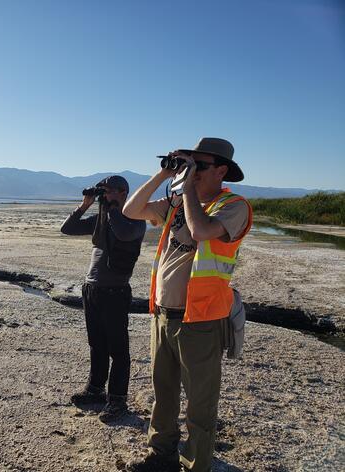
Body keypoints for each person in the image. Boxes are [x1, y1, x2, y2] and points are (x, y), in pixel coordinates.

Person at [122, 138, 252, 472]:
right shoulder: (177, 204)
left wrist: (187, 189)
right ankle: (161, 455)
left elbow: (201, 230)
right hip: (164, 315)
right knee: (163, 393)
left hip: (202, 320)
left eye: (201, 166)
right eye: (189, 165)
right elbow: (131, 210)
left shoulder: (233, 206)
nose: (192, 172)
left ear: (221, 170)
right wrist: (163, 174)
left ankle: (196, 465)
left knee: (200, 403)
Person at [60, 175, 146, 423]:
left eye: (108, 192)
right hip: (92, 289)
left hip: (115, 292)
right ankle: (95, 390)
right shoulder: (102, 218)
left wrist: (111, 208)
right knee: (96, 344)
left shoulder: (134, 219)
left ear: (122, 192)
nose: (104, 196)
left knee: (118, 350)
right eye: (103, 192)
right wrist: (85, 204)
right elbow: (67, 229)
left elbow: (123, 232)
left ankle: (117, 401)